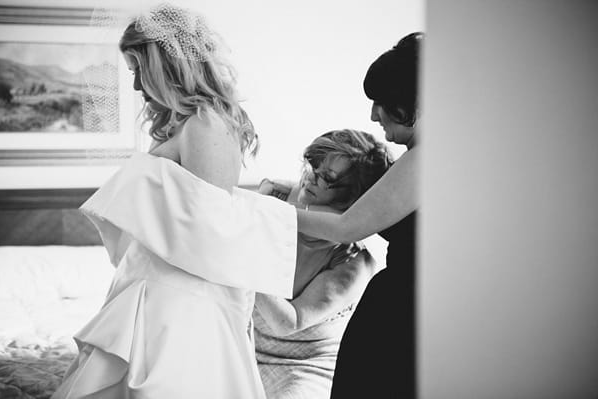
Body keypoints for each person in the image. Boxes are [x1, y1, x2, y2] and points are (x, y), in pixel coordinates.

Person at [52, 4, 298, 398]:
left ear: (167, 66)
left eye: (137, 71)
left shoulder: (207, 125)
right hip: (150, 282)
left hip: (179, 299)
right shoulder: (181, 123)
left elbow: (211, 232)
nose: (135, 86)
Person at [295, 32, 424, 398]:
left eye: (382, 102)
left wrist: (275, 214)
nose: (373, 114)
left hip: (404, 316)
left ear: (411, 100)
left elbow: (347, 227)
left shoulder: (429, 158)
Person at [253, 129, 393, 398]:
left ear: (353, 198)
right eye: (313, 166)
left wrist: (245, 258)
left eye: (326, 178)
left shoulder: (353, 263)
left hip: (302, 366)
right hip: (245, 344)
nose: (311, 178)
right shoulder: (284, 197)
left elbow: (286, 322)